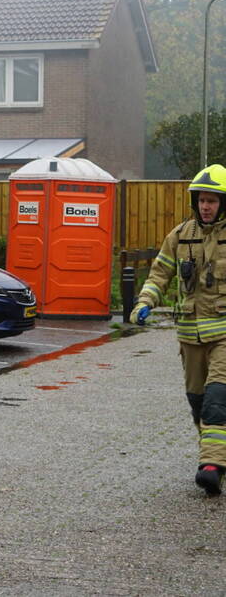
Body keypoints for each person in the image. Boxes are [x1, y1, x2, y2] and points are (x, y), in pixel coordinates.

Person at [130, 164, 226, 496]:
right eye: (201, 200)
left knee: (217, 400)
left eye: (212, 200)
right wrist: (145, 301)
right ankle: (215, 457)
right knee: (198, 403)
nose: (206, 206)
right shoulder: (180, 235)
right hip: (190, 338)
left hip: (224, 336)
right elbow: (160, 274)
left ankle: (211, 466)